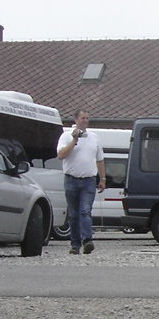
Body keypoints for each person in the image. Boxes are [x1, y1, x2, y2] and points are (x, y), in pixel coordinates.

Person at [56, 108, 105, 255]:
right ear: (75, 119)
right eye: (82, 118)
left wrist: (102, 178)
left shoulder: (94, 137)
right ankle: (75, 244)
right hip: (71, 179)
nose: (85, 121)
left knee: (85, 211)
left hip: (88, 180)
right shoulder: (65, 136)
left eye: (87, 118)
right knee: (73, 214)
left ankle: (87, 240)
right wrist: (74, 140)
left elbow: (100, 159)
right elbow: (61, 155)